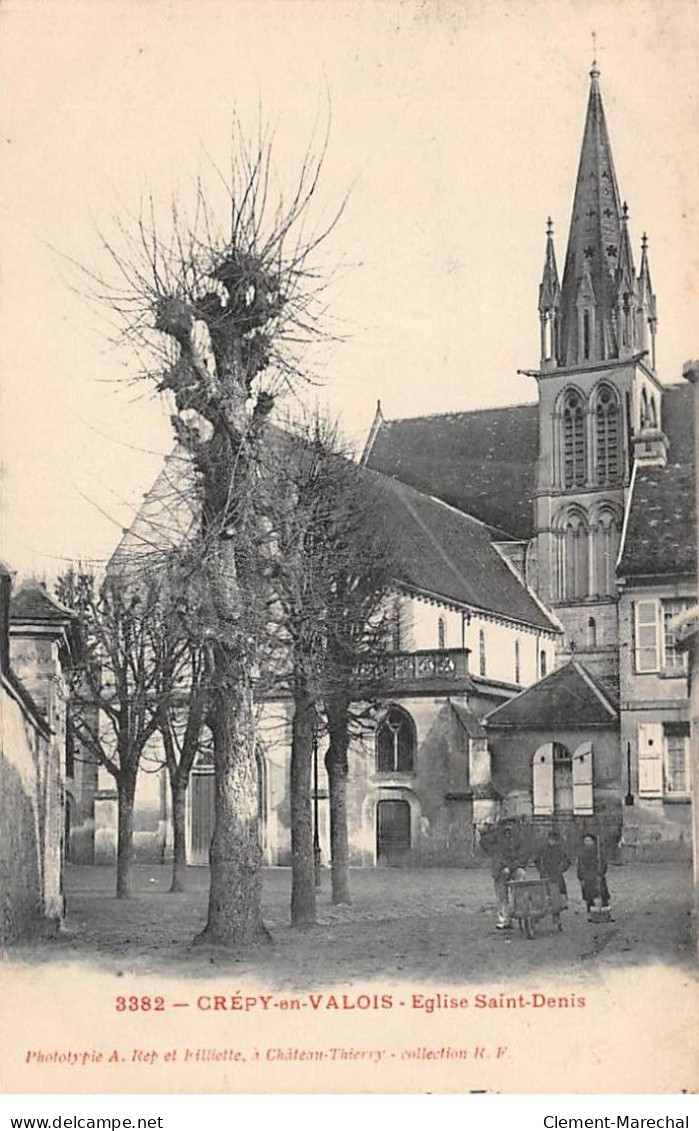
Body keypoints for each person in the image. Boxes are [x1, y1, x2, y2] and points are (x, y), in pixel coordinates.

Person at [490, 824, 527, 930]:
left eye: (511, 826)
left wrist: (511, 867)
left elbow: (522, 856)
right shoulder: (496, 838)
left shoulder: (519, 838)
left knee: (521, 875)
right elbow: (497, 855)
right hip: (500, 869)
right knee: (501, 894)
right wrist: (503, 867)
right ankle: (504, 919)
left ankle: (519, 909)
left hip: (513, 867)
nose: (509, 830)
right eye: (506, 827)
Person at [536, 830, 571, 927]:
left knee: (557, 895)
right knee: (543, 895)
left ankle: (556, 915)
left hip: (557, 876)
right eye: (551, 839)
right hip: (545, 875)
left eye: (555, 840)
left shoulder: (560, 850)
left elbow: (567, 861)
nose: (553, 842)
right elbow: (537, 860)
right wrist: (541, 869)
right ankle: (539, 914)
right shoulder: (543, 850)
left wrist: (561, 869)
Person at [577, 833, 611, 919]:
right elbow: (580, 866)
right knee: (589, 895)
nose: (587, 843)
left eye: (589, 841)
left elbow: (603, 864)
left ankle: (605, 912)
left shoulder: (598, 853)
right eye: (586, 841)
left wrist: (601, 874)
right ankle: (592, 913)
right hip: (587, 877)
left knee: (602, 893)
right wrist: (581, 877)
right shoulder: (582, 854)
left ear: (593, 842)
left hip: (597, 875)